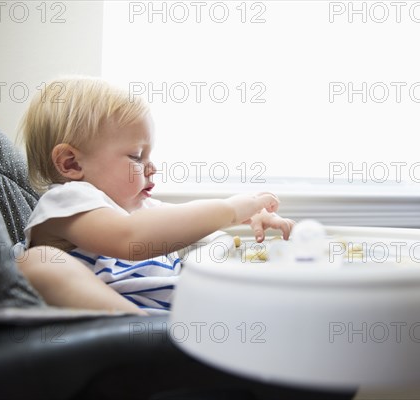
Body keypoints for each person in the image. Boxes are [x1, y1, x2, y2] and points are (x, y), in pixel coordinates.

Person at [15, 76, 294, 315]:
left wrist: (246, 217)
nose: (152, 167)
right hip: (138, 324)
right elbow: (131, 238)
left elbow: (185, 223)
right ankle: (136, 328)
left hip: (187, 310)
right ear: (71, 164)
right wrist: (231, 209)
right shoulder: (67, 200)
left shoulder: (139, 207)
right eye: (136, 156)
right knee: (36, 264)